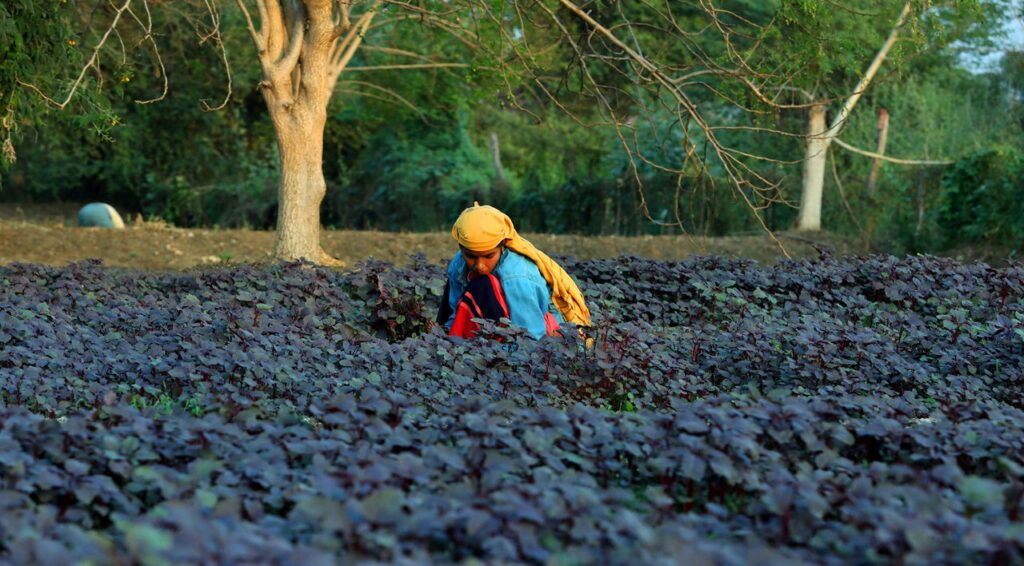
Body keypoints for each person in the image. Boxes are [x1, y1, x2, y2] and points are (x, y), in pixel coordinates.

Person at [438, 203, 591, 339]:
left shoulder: (516, 277)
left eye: (488, 256)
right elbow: (457, 313)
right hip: (500, 325)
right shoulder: (458, 264)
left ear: (503, 245)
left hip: (549, 336)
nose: (479, 265)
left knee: (483, 283)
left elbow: (531, 336)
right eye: (471, 256)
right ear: (461, 248)